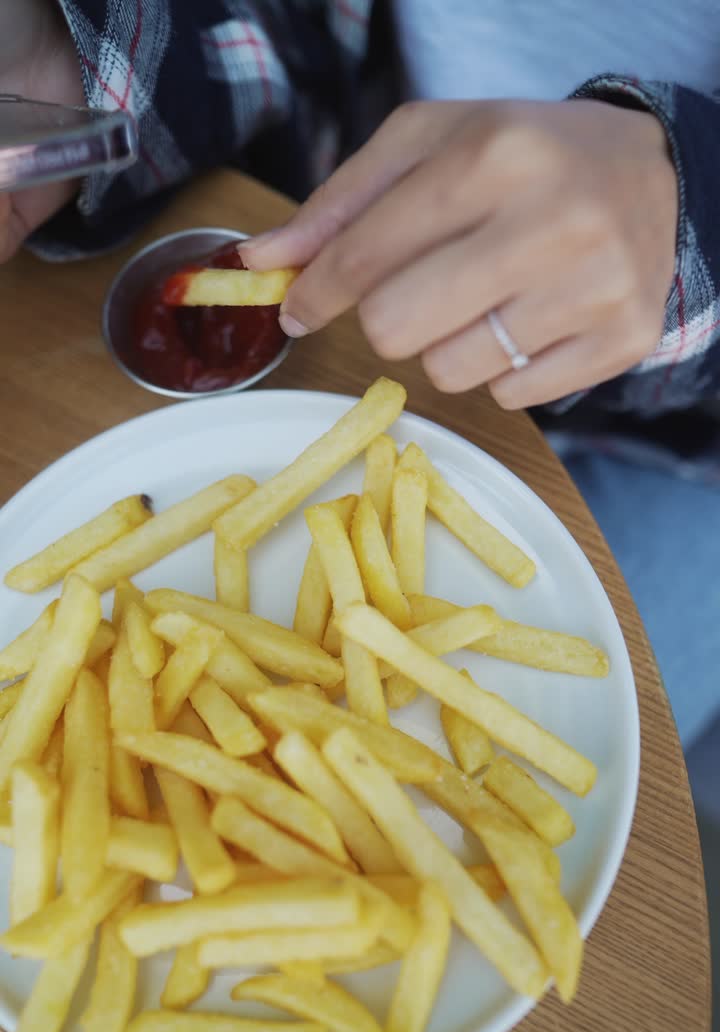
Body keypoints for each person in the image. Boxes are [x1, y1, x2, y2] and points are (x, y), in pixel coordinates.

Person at [2, 0, 719, 745]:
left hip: (676, 450)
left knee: (608, 748)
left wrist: (696, 205)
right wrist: (71, 61)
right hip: (336, 263)